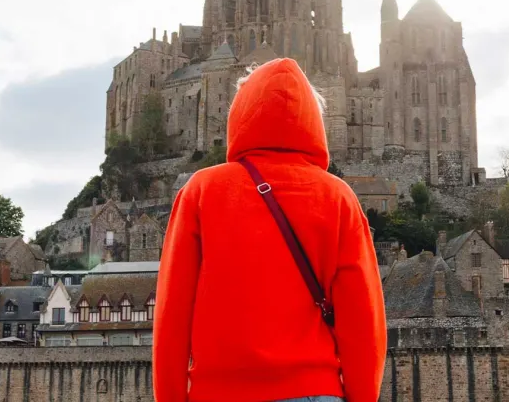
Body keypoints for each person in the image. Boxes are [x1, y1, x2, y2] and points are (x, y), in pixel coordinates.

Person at [153, 58, 386, 402]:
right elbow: (364, 323)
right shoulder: (338, 197)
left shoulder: (201, 190)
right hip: (313, 391)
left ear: (242, 113)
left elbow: (171, 315)